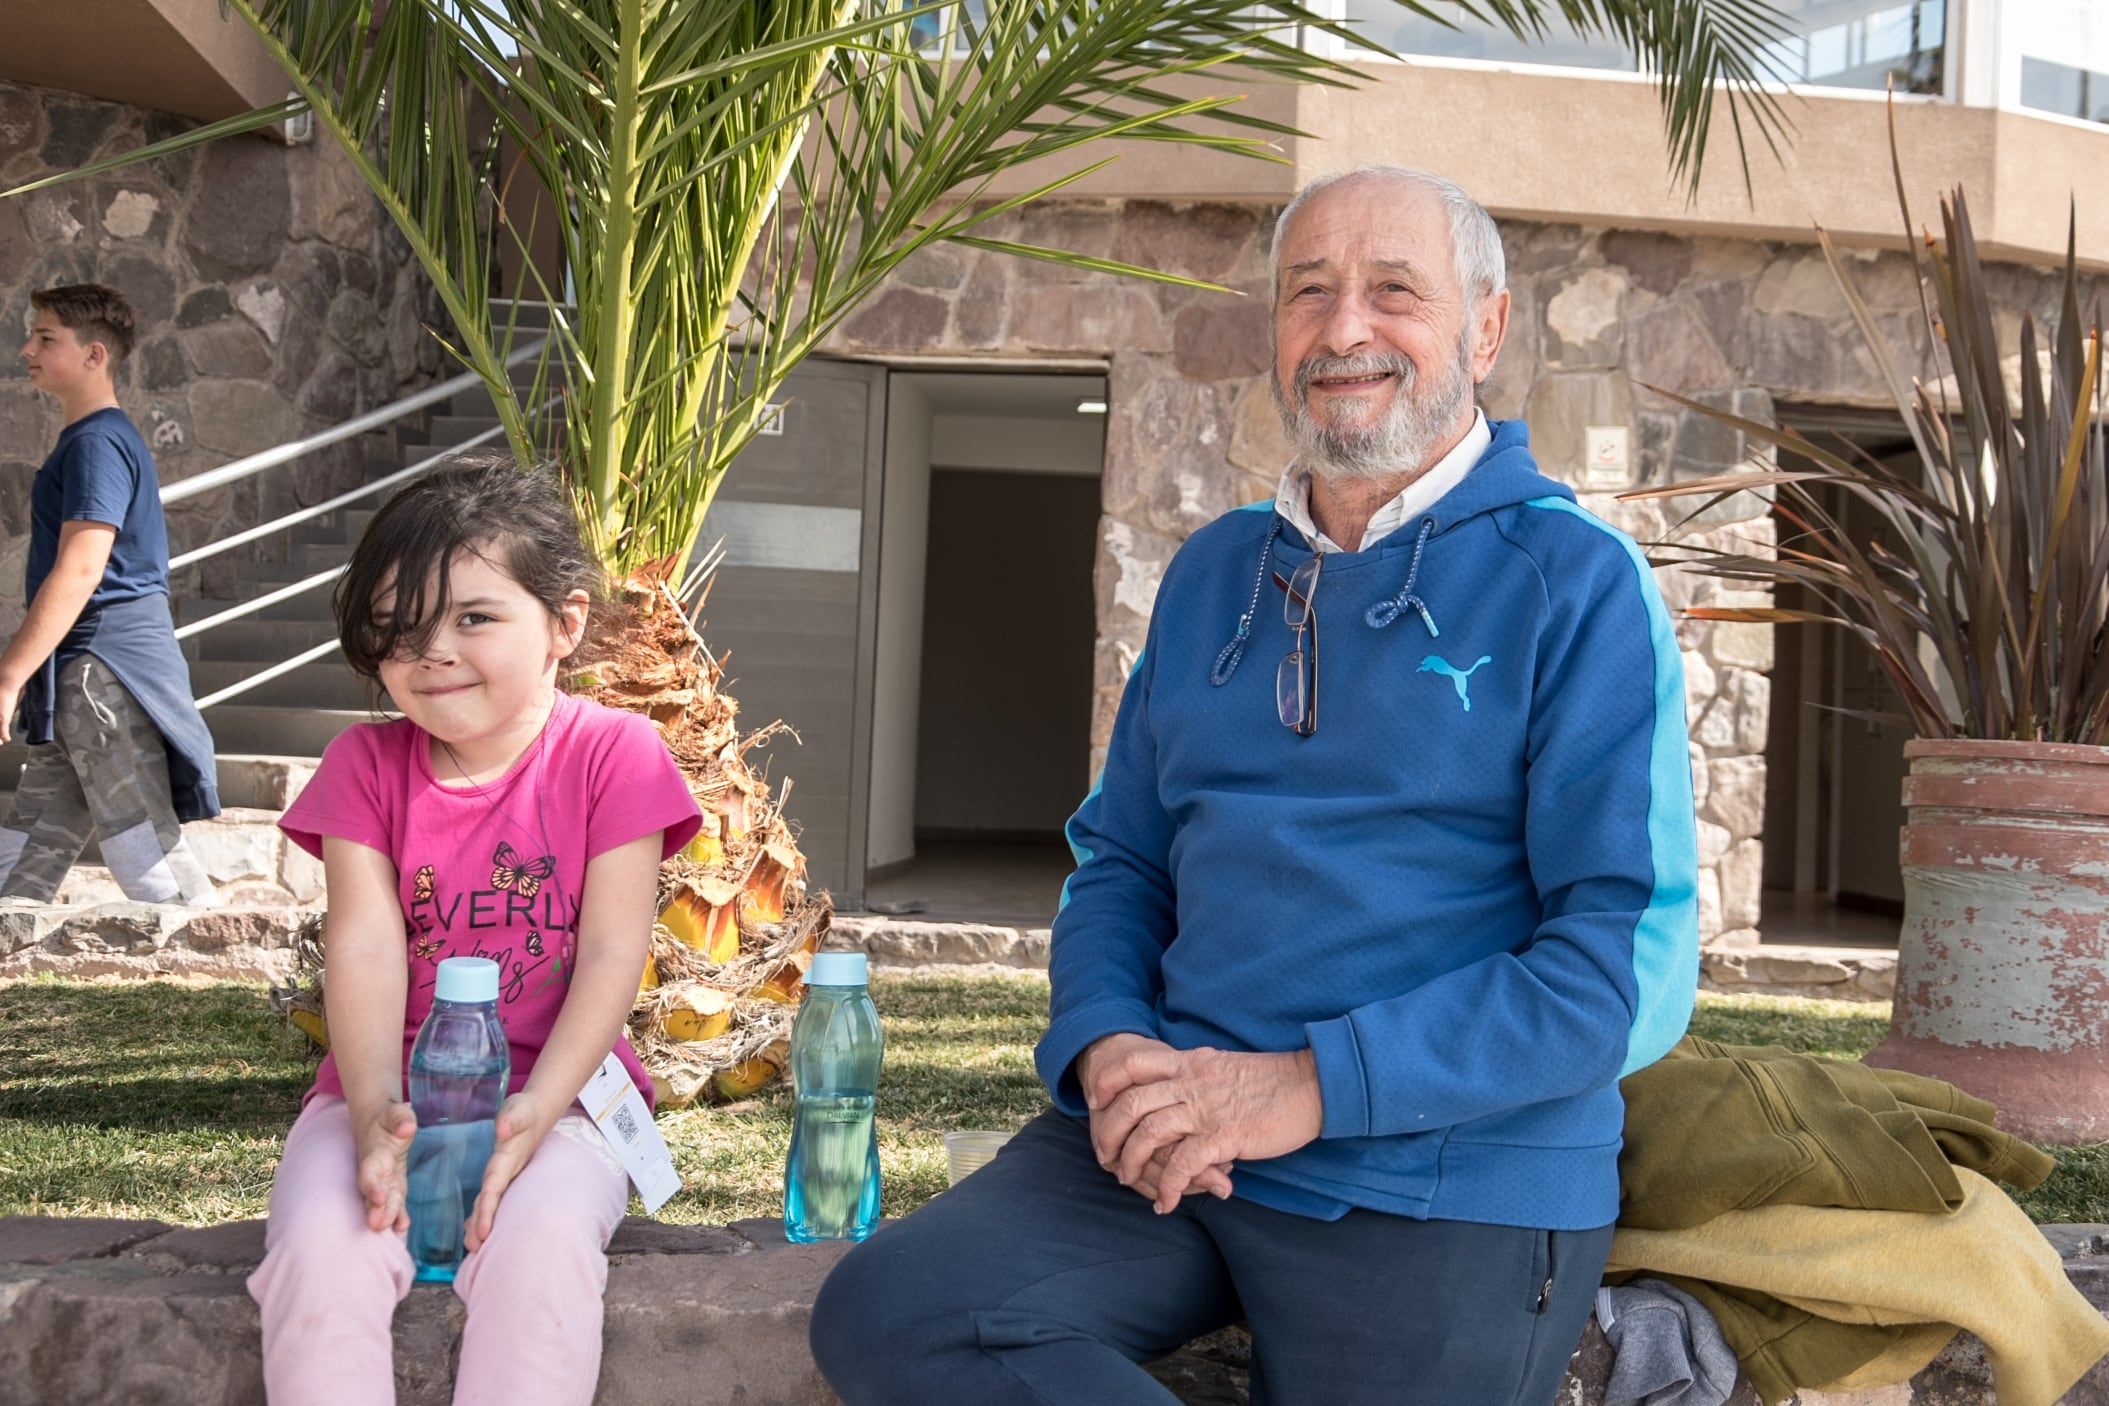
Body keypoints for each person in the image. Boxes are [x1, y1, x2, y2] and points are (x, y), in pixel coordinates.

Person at [810, 166, 1701, 1405]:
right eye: (1308, 293)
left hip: (1441, 1173)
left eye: (1395, 291)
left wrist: (1303, 1086)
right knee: (899, 1314)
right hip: (1174, 1141)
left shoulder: (1579, 582)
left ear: (1487, 329)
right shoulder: (1216, 570)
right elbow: (1123, 859)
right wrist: (1111, 1044)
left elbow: (1621, 971)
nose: (1344, 330)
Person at [246, 461, 702, 1405]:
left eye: (474, 618)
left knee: (537, 1259)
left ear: (564, 625)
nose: (433, 652)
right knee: (320, 1259)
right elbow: (364, 949)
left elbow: (616, 951)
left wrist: (538, 1110)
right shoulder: (363, 764)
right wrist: (375, 1120)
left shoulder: (614, 753)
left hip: (565, 1106)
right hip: (378, 1097)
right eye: (400, 630)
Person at [0, 283, 218, 904]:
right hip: (88, 666)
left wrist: (10, 675)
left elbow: (80, 569)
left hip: (104, 667)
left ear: (95, 355)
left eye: (46, 338)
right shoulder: (90, 441)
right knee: (39, 821)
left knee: (141, 835)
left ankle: (208, 962)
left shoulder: (97, 443)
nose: (27, 349)